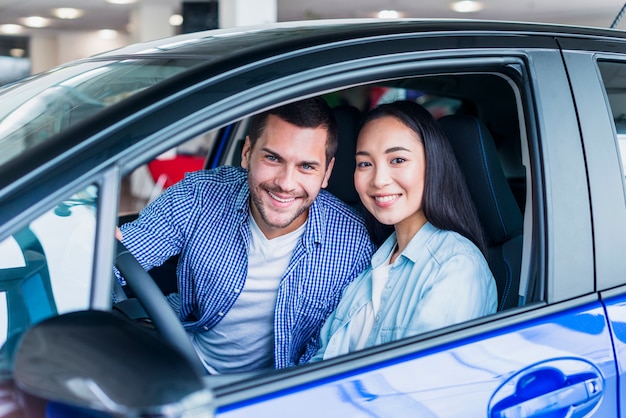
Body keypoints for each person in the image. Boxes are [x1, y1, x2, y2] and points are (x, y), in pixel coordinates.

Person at [117, 97, 375, 374]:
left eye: (307, 166)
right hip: (179, 359)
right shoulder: (199, 196)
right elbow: (117, 258)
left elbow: (326, 352)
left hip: (263, 395)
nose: (286, 184)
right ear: (247, 152)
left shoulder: (353, 241)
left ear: (327, 173)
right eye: (273, 158)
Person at [311, 100, 497, 361]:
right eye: (365, 164)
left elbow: (418, 384)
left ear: (433, 164)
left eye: (397, 160)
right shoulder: (373, 262)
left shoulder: (456, 266)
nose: (378, 179)